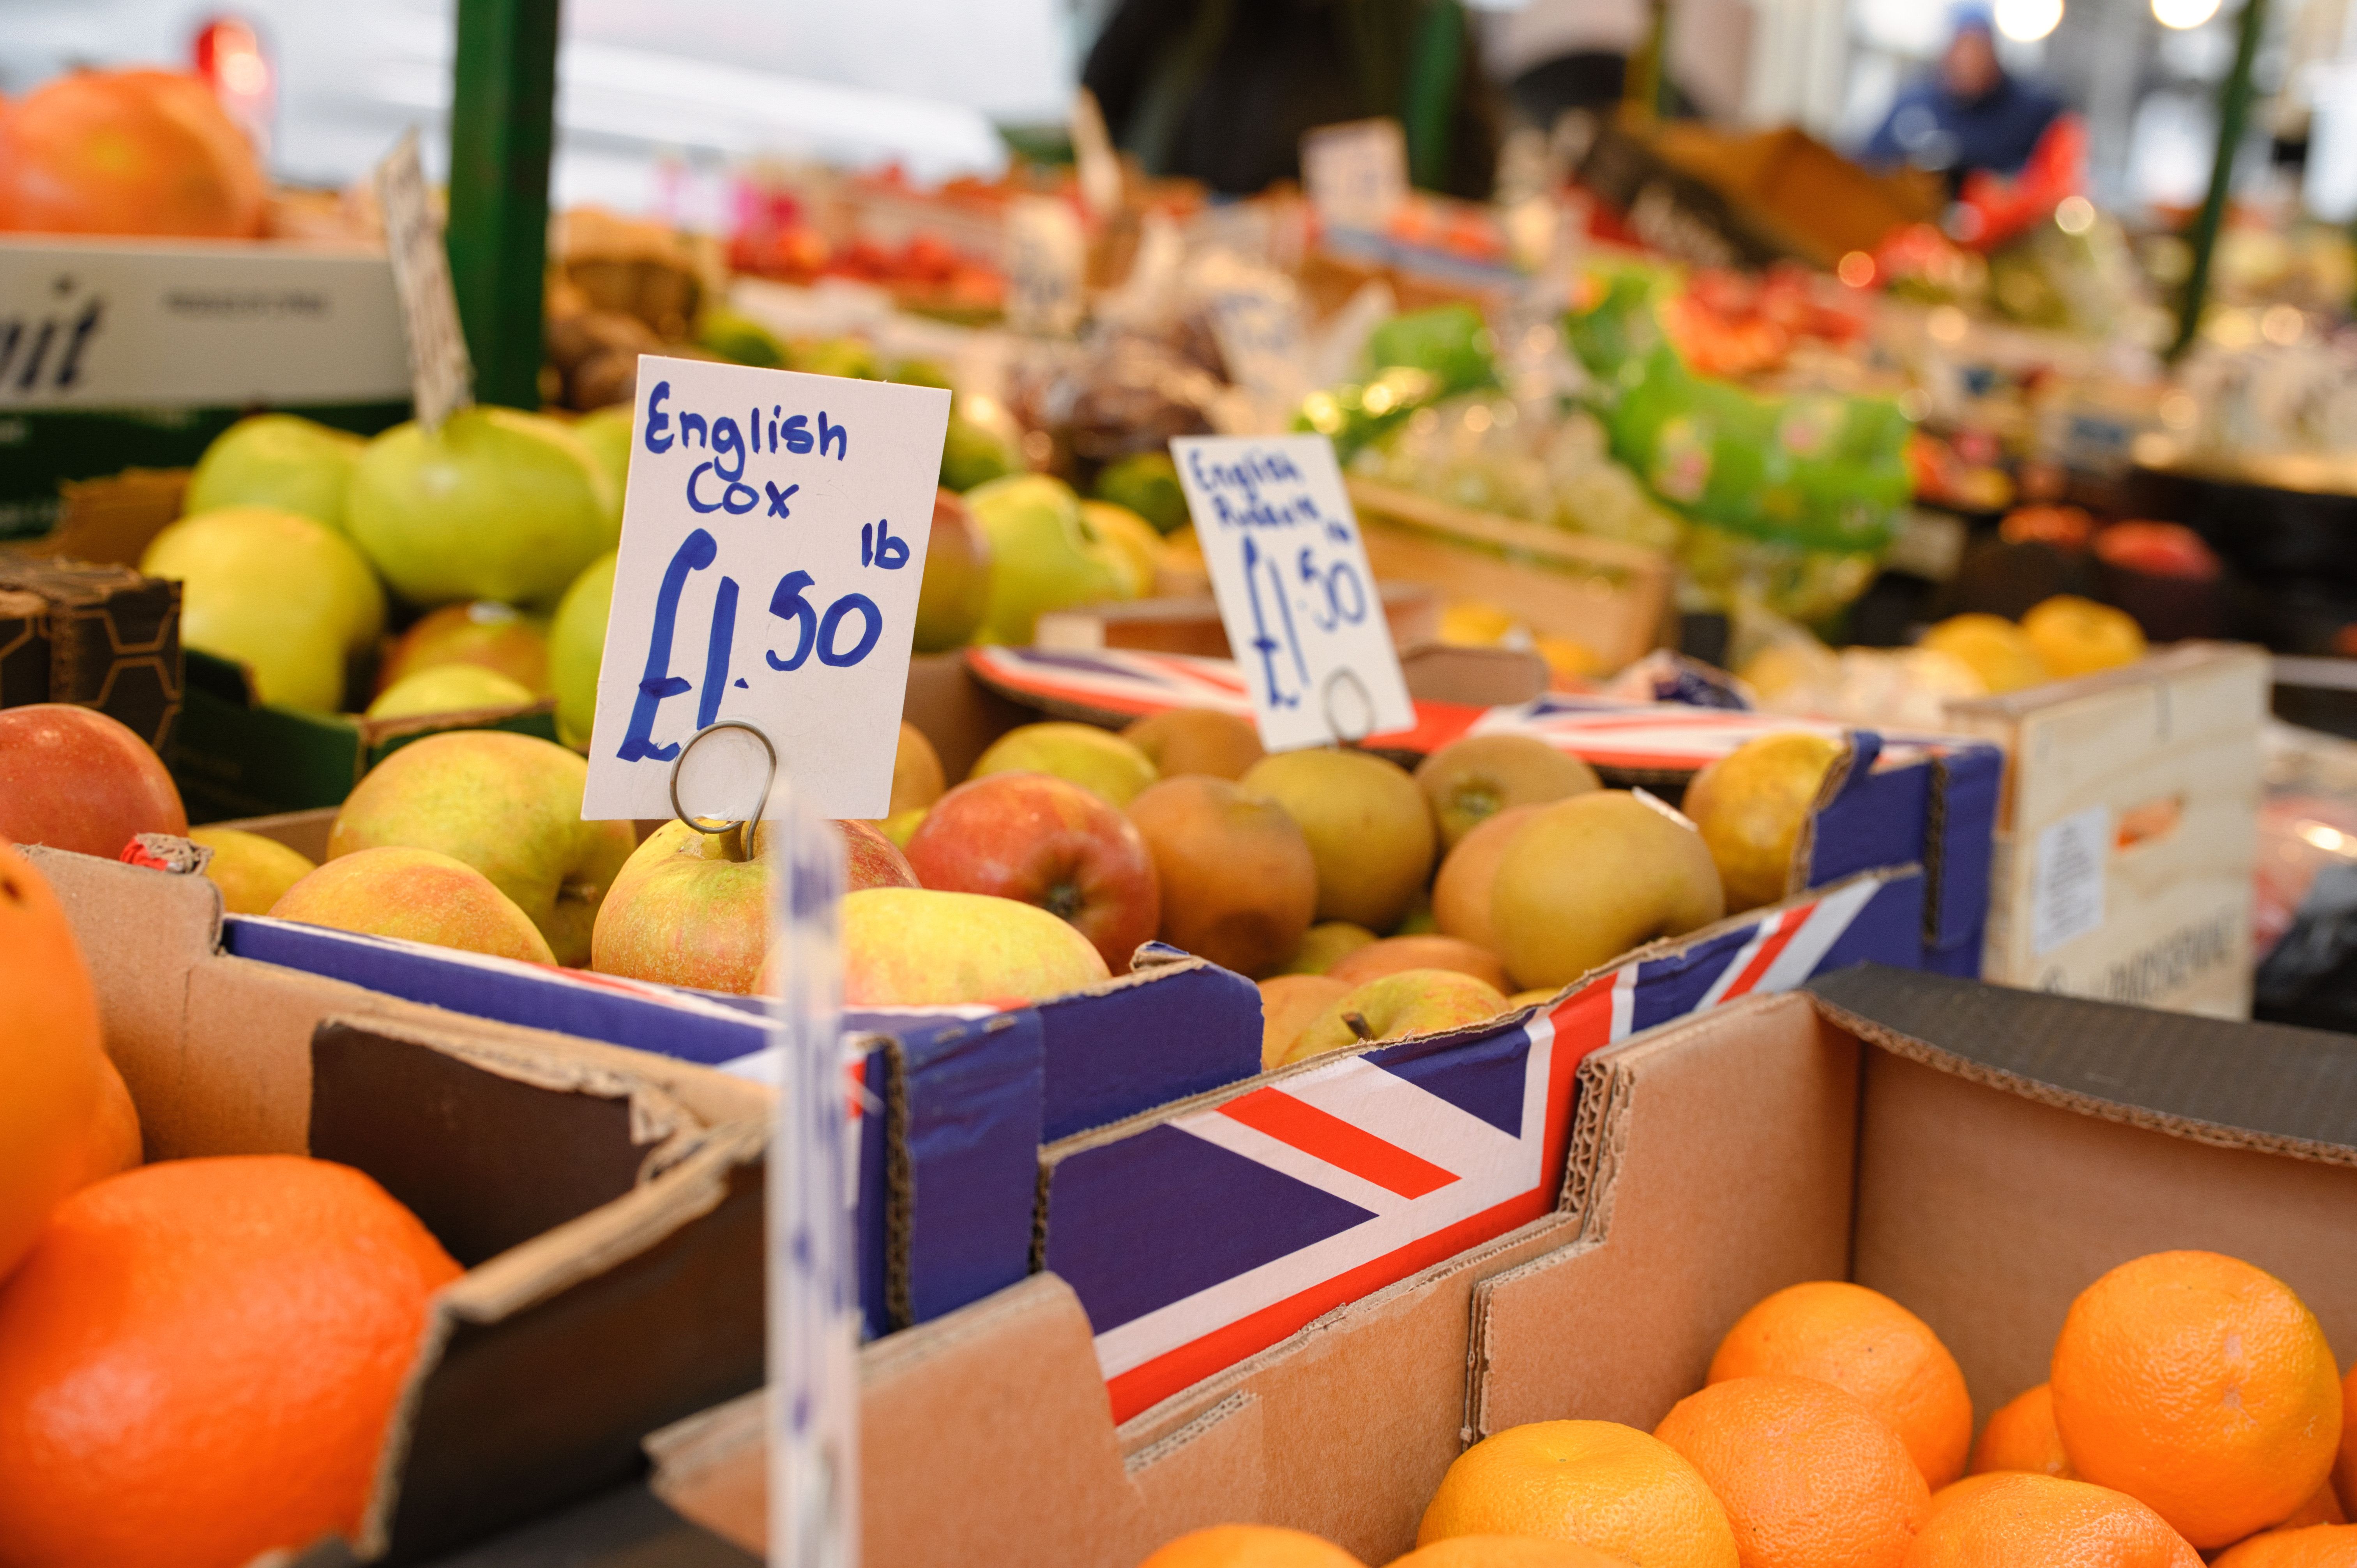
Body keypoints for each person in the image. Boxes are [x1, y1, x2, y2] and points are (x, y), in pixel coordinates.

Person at [1082, 0, 1500, 200]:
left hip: (1356, 285)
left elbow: (1472, 177)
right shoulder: (1192, 15)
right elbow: (1098, 98)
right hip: (1179, 264)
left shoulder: (1423, 22)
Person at [1862, 7, 2064, 190]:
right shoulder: (1914, 103)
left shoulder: (2031, 112)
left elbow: (2051, 179)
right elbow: (1868, 162)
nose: (1968, 59)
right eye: (1962, 46)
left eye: (1978, 48)